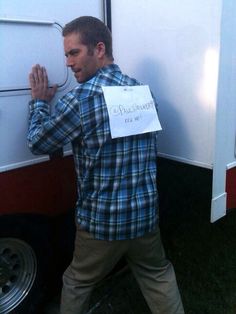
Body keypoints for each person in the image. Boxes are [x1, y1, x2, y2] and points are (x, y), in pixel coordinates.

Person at [28, 16, 184, 314]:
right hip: (144, 216)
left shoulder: (80, 100)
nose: (69, 63)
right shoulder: (143, 92)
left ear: (99, 49)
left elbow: (39, 143)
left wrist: (38, 103)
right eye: (66, 55)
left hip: (102, 225)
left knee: (77, 281)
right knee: (157, 274)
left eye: (74, 53)